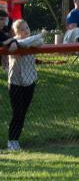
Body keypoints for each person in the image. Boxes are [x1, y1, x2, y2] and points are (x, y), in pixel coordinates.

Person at [6, 17, 43, 151]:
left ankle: (17, 140)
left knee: (24, 112)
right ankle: (12, 140)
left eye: (27, 28)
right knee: (18, 112)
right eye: (22, 29)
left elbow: (40, 41)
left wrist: (36, 37)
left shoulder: (32, 40)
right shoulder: (13, 42)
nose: (25, 31)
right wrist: (23, 41)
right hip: (16, 82)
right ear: (16, 32)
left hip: (29, 81)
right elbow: (20, 44)